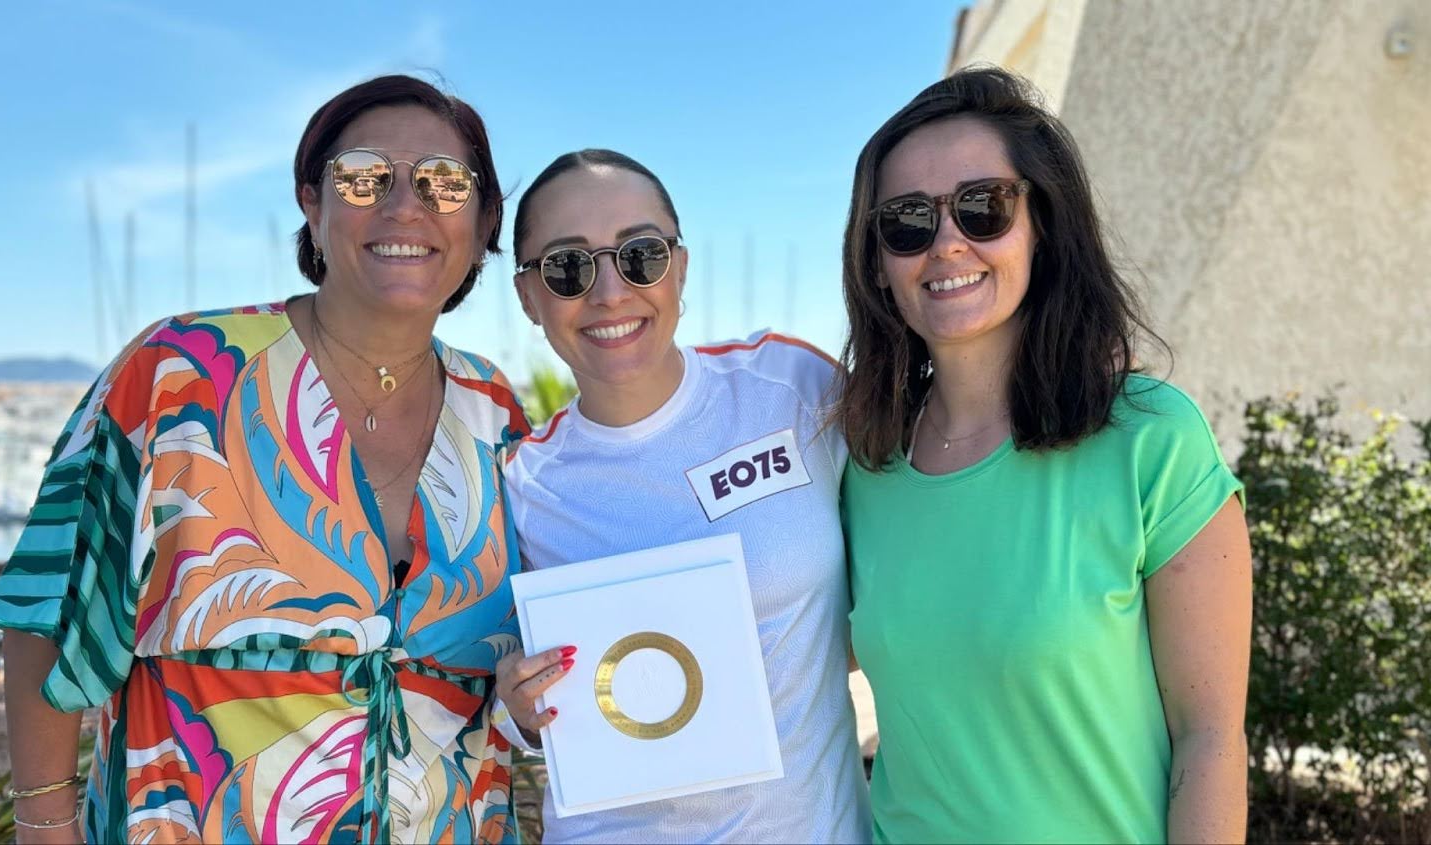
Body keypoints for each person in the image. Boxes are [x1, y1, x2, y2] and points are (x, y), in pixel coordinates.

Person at [0, 75, 531, 844]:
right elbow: (50, 607)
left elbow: (519, 659)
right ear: (313, 200)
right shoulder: (182, 373)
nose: (406, 205)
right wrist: (44, 824)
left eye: (445, 183)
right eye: (365, 176)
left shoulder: (495, 411)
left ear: (482, 220)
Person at [835, 66, 1252, 843]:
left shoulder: (1150, 440)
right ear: (878, 261)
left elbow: (1211, 737)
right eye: (907, 222)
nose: (948, 242)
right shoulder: (864, 462)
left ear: (1044, 224)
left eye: (984, 207)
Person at [493, 149, 871, 842]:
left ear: (681, 266)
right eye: (568, 267)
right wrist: (519, 707)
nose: (609, 292)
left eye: (640, 254)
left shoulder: (793, 388)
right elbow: (495, 697)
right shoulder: (518, 485)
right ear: (528, 296)